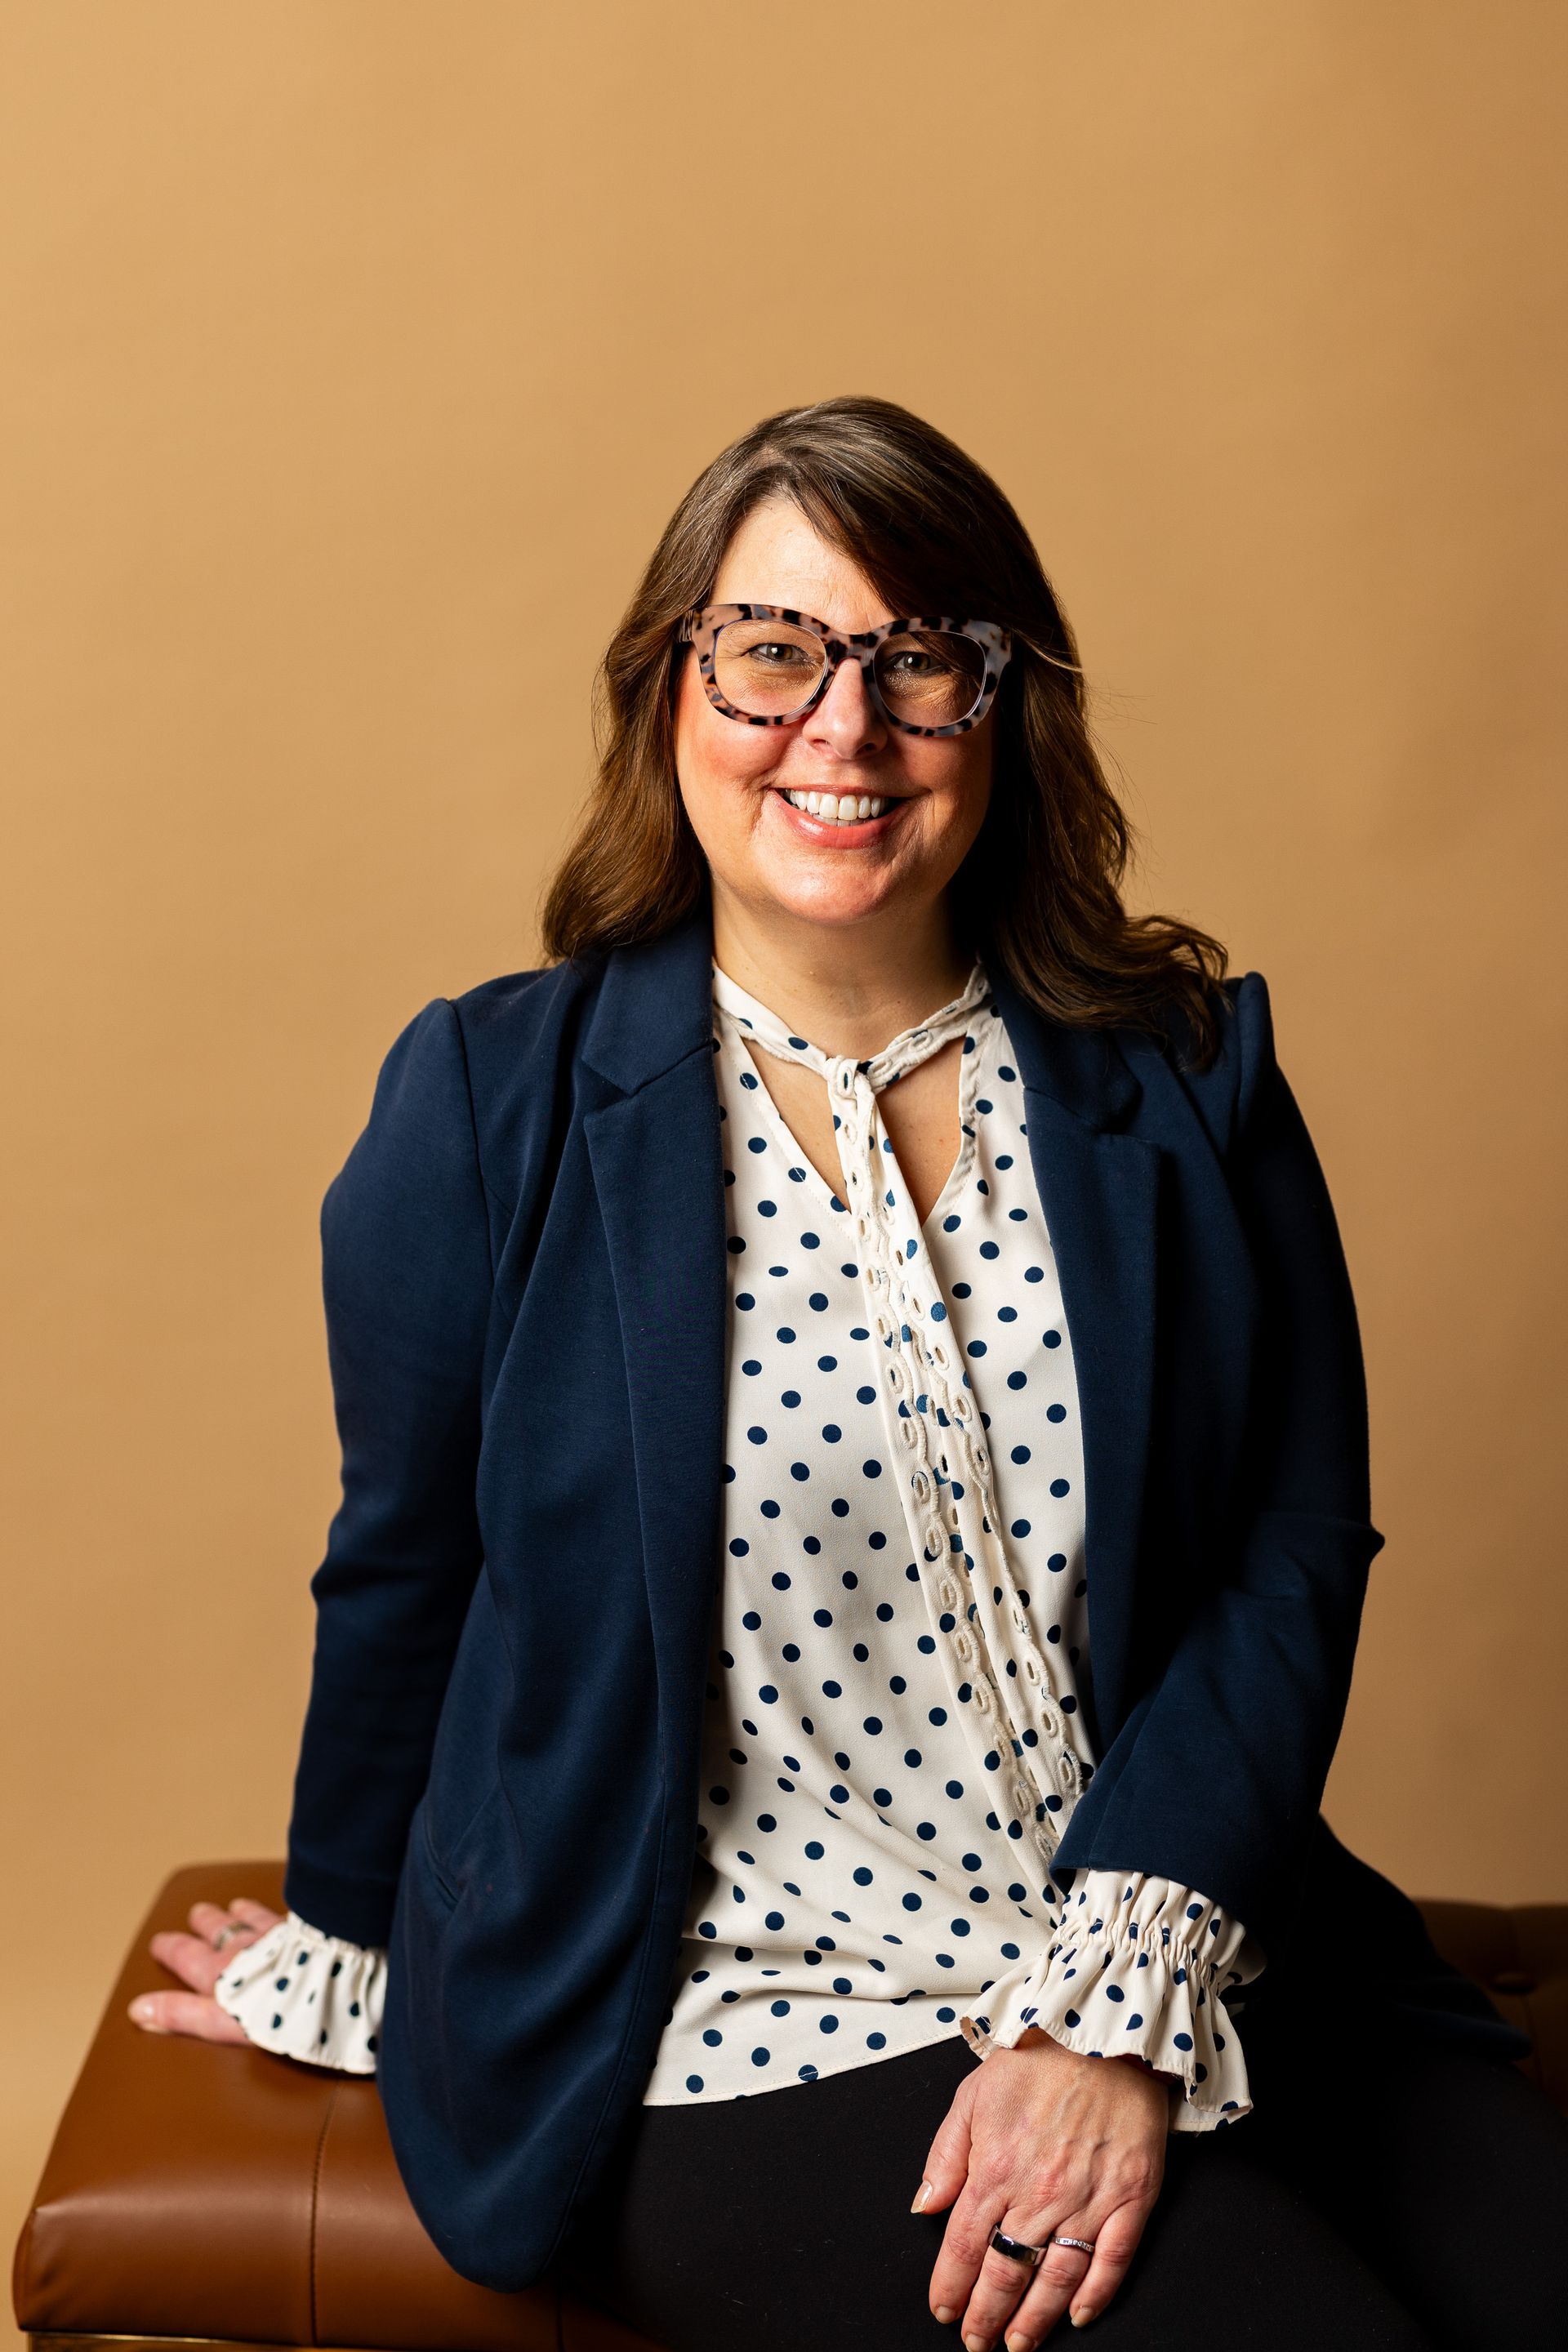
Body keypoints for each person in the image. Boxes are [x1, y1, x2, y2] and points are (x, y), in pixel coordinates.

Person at [128, 398, 1568, 2351]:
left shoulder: (1191, 1078)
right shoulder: (486, 1107)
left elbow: (1289, 1556)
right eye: (774, 653)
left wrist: (1109, 2007)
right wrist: (354, 1935)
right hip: (752, 2018)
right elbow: (404, 1568)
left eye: (921, 662)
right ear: (670, 693)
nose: (844, 728)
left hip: (1189, 1936)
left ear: (1007, 710)